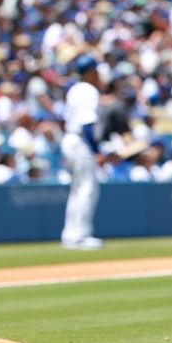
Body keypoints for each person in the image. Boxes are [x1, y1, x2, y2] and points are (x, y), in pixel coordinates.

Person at [60, 54, 105, 250]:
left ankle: (70, 234)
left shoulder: (74, 89)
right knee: (87, 188)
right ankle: (80, 235)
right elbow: (88, 124)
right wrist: (97, 150)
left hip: (70, 138)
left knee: (77, 189)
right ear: (92, 72)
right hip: (80, 140)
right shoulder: (88, 90)